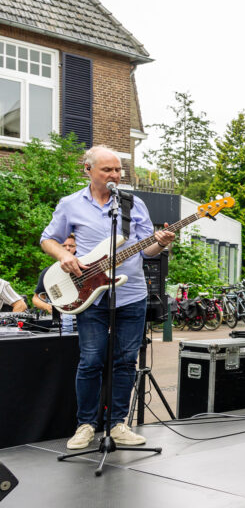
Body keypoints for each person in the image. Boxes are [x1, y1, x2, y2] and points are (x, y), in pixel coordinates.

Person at [40, 145, 175, 450]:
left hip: (132, 293)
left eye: (118, 170)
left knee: (125, 361)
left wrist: (161, 243)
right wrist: (64, 256)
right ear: (88, 170)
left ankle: (117, 425)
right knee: (90, 361)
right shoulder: (70, 204)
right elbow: (47, 239)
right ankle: (86, 425)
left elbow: (146, 249)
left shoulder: (132, 203)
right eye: (108, 170)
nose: (115, 175)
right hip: (89, 294)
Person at [32, 234, 77, 330]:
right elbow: (36, 298)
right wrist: (48, 307)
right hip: (60, 323)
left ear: (77, 248)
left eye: (71, 246)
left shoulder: (88, 268)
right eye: (63, 246)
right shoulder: (48, 272)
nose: (67, 248)